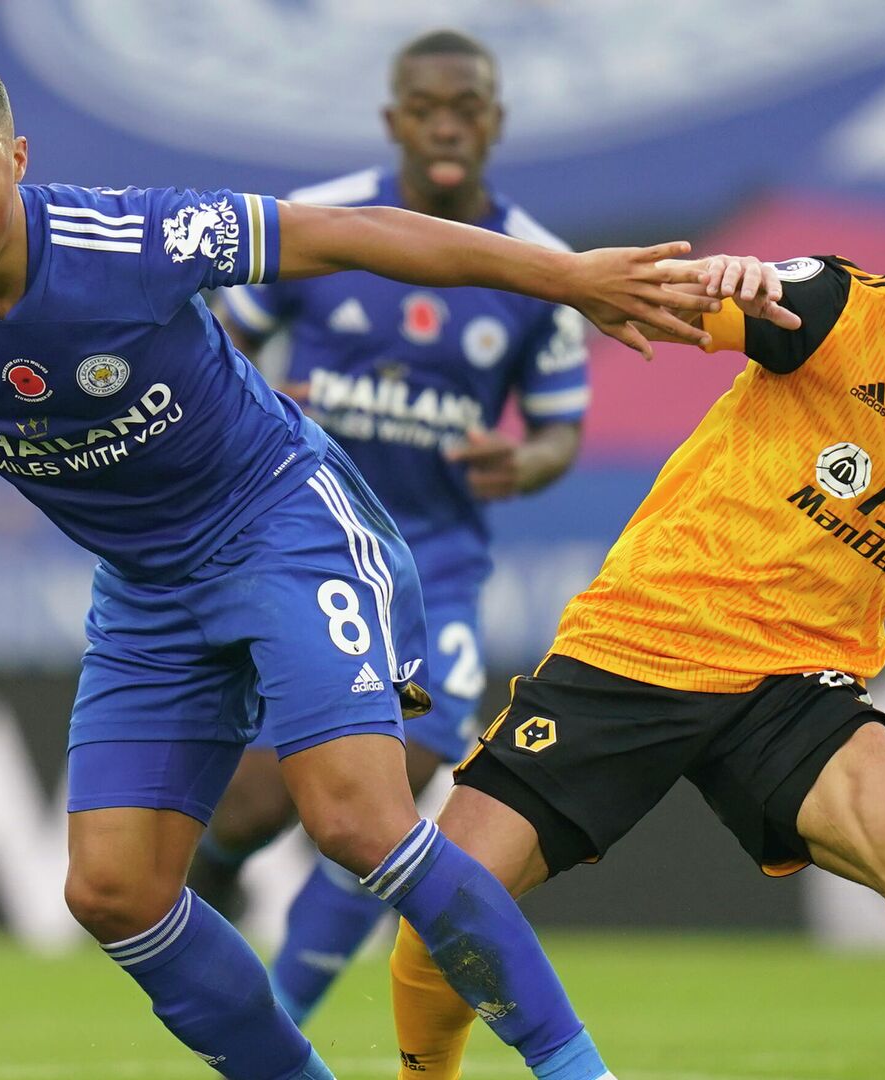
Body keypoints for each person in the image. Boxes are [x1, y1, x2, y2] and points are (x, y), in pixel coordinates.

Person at [0, 53, 769, 1080]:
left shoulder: (130, 240)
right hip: (148, 594)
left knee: (353, 820)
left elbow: (353, 235)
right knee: (111, 892)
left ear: (18, 161)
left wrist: (565, 280)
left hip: (281, 523)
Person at [387, 144, 885, 1080]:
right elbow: (709, 305)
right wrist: (709, 285)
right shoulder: (840, 306)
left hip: (794, 685)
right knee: (454, 897)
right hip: (642, 644)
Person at [182, 28, 590, 1026]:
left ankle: (267, 1030)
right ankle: (219, 869)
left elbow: (558, 433)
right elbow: (210, 344)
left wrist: (524, 463)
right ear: (392, 118)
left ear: (493, 121)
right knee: (251, 804)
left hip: (432, 569)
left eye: (468, 107)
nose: (446, 125)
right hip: (300, 548)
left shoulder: (537, 269)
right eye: (426, 107)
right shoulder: (313, 224)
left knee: (388, 798)